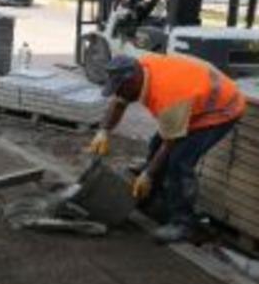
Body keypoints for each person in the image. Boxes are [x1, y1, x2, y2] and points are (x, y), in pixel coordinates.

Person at [88, 54, 246, 244]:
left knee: (179, 162)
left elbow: (170, 143)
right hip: (192, 98)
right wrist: (103, 131)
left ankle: (184, 224)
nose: (118, 93)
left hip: (220, 109)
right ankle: (154, 200)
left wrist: (148, 174)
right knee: (155, 146)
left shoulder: (169, 97)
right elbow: (119, 102)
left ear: (133, 81)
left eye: (120, 88)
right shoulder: (138, 69)